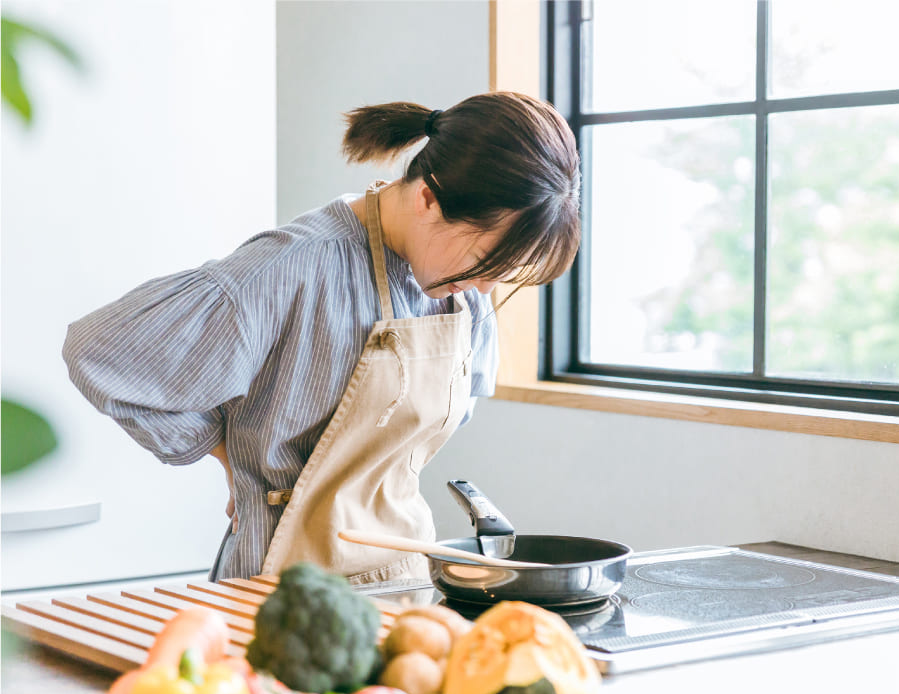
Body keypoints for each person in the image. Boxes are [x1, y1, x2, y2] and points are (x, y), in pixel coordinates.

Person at [62, 91, 581, 584]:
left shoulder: (465, 290)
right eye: (482, 260)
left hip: (403, 577)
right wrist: (226, 456)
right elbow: (102, 351)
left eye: (504, 271)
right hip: (283, 587)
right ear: (427, 198)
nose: (487, 285)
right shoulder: (292, 267)